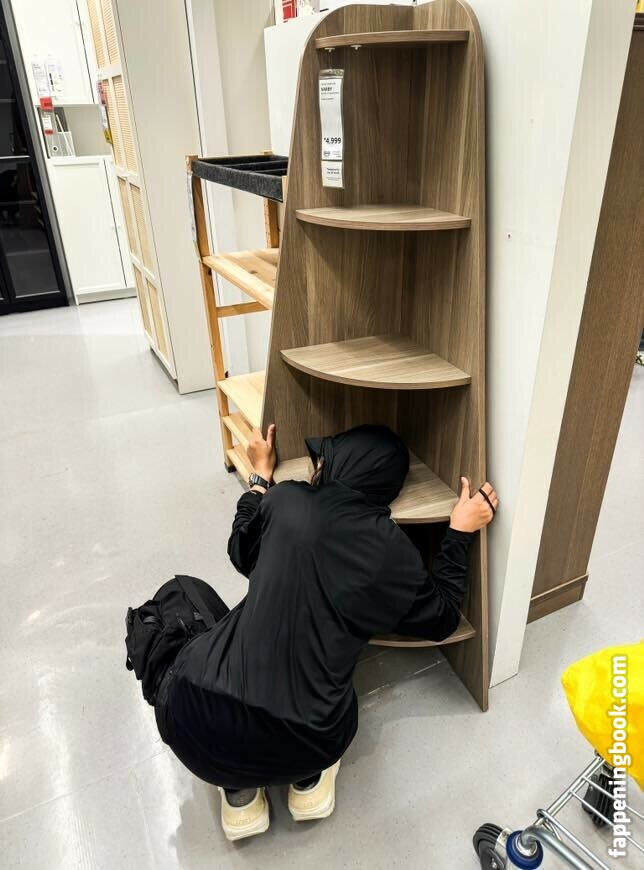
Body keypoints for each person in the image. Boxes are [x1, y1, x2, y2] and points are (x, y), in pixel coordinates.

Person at [153, 424, 498, 841]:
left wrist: (260, 478)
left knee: (183, 594)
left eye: (324, 460)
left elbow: (241, 552)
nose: (316, 467)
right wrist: (459, 531)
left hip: (195, 727)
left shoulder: (285, 499)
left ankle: (238, 792)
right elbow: (442, 618)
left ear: (338, 468)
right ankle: (307, 783)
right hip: (309, 744)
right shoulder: (390, 551)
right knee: (336, 681)